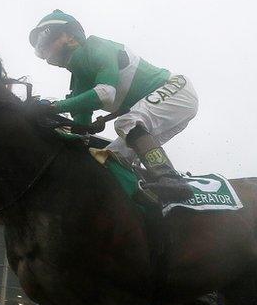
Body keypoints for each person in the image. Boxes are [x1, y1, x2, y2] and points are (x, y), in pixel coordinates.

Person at [28, 10, 197, 202]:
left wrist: (53, 108)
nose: (43, 48)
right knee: (105, 160)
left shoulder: (96, 46)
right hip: (164, 107)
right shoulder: (78, 79)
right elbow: (81, 132)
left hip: (177, 89)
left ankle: (170, 178)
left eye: (45, 39)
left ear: (69, 35)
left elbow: (105, 93)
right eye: (39, 47)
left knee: (127, 122)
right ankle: (145, 203)